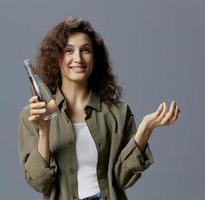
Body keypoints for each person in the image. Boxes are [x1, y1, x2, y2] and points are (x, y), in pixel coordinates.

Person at [18, 17, 181, 200]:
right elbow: (38, 182)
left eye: (85, 50)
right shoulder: (33, 115)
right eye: (69, 51)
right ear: (56, 58)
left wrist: (145, 129)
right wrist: (44, 131)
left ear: (95, 58)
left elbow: (123, 179)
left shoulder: (118, 113)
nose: (78, 58)